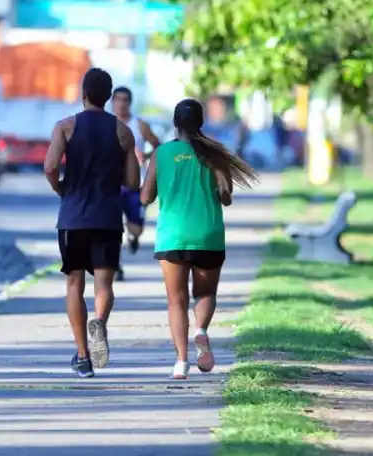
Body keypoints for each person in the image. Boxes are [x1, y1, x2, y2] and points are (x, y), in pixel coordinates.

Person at [140, 98, 258, 379]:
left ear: (175, 123)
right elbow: (226, 197)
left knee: (176, 301)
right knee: (205, 294)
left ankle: (181, 362)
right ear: (201, 122)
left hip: (173, 236)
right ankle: (201, 330)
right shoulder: (215, 154)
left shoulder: (161, 154)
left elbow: (145, 197)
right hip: (208, 234)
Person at [44, 68, 141, 379]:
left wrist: (60, 187)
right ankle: (98, 320)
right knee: (104, 284)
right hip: (108, 217)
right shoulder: (123, 131)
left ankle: (83, 356)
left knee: (74, 283)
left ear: (82, 94)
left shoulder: (65, 127)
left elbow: (50, 166)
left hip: (73, 217)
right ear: (109, 97)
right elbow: (132, 181)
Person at [111, 86, 161, 281]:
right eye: (118, 99)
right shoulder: (106, 124)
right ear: (112, 102)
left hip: (134, 185)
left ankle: (133, 238)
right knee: (112, 229)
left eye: (125, 100)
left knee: (136, 228)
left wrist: (145, 156)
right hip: (112, 186)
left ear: (130, 103)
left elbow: (158, 146)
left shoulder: (139, 125)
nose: (121, 103)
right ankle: (115, 266)